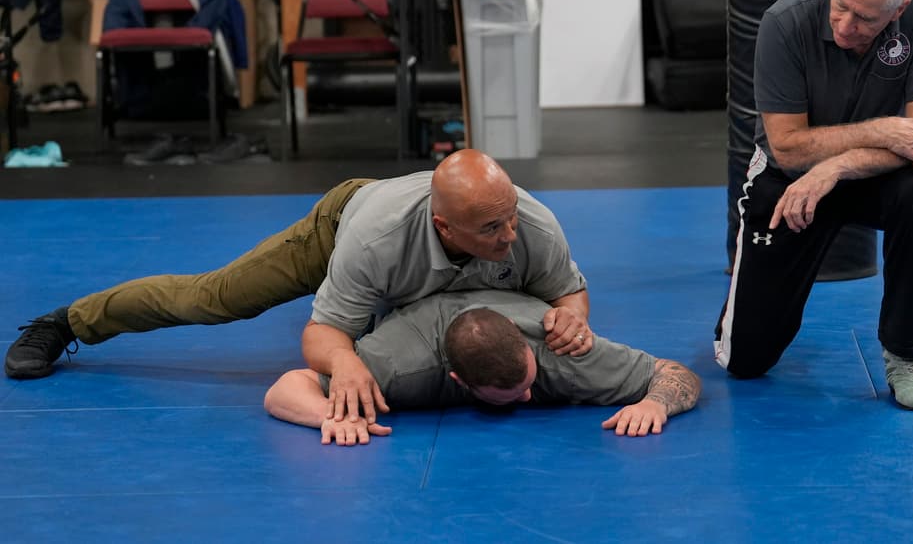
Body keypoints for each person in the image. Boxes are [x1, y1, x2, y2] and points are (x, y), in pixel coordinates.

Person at [5, 149, 593, 424]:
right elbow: (323, 334)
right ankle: (68, 322)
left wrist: (573, 314)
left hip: (418, 272)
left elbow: (568, 290)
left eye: (510, 216)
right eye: (492, 227)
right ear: (445, 225)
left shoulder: (528, 223)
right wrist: (346, 362)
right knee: (217, 297)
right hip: (343, 223)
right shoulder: (372, 240)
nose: (508, 234)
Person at [714, 0, 913, 410]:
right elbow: (787, 146)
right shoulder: (787, 21)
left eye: (865, 18)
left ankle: (907, 352)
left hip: (878, 174)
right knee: (746, 360)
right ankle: (745, 305)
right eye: (840, 7)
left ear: (898, 9)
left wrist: (839, 166)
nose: (846, 24)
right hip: (789, 177)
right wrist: (884, 130)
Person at [263, 290, 701, 445]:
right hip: (376, 250)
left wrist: (657, 404)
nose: (530, 398)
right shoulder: (399, 367)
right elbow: (287, 385)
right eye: (511, 396)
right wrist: (330, 416)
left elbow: (675, 373)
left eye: (527, 382)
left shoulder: (557, 350)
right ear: (458, 381)